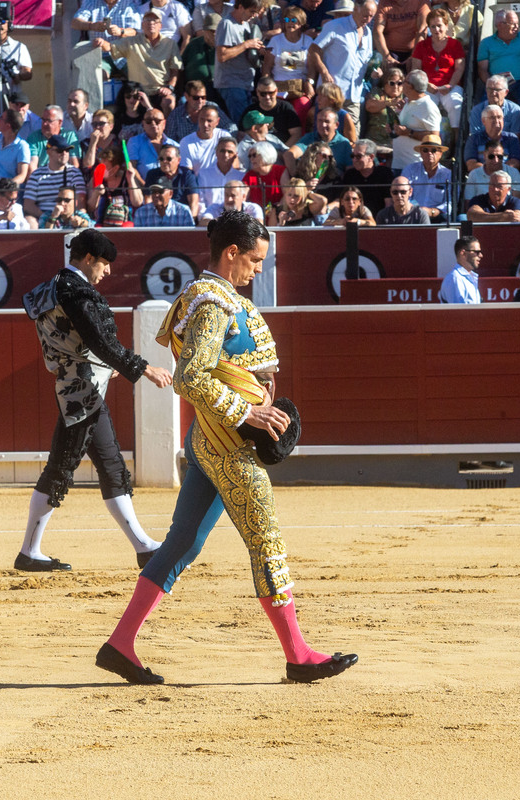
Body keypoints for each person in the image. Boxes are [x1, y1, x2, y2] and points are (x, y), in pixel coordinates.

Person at [98, 210, 358, 685]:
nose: (259, 269)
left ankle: (120, 643)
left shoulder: (207, 296)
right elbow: (190, 376)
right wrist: (248, 412)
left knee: (182, 541)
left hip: (208, 439)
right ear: (231, 253)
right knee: (266, 541)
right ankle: (298, 655)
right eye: (254, 260)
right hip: (227, 444)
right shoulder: (214, 303)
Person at [19, 228, 173, 573]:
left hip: (79, 387)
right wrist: (143, 368)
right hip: (81, 392)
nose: (108, 271)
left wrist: (104, 364)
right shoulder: (75, 291)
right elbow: (98, 340)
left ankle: (143, 546)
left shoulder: (54, 287)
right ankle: (30, 552)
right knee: (64, 467)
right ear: (88, 259)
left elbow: (69, 341)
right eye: (104, 264)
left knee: (109, 464)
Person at [311, 0, 377, 131]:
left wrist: (374, 71)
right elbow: (313, 50)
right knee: (324, 133)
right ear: (356, 9)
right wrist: (324, 72)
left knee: (352, 137)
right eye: (365, 15)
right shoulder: (335, 25)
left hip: (354, 95)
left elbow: (366, 61)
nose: (368, 20)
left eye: (371, 17)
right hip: (332, 92)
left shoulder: (368, 33)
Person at [70, 0, 142, 113]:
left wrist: (121, 31)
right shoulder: (92, 2)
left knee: (137, 75)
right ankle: (95, 112)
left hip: (123, 54)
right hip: (101, 54)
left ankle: (136, 113)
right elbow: (74, 22)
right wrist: (91, 25)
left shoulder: (128, 3)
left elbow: (136, 31)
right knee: (97, 74)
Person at [103, 10, 182, 108]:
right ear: (142, 25)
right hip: (137, 91)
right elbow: (110, 47)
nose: (151, 23)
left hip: (160, 91)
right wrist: (101, 43)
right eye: (148, 20)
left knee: (169, 102)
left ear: (160, 26)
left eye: (155, 21)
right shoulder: (131, 41)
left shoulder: (170, 44)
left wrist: (170, 87)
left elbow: (175, 70)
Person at [407, 8, 463, 143]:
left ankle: (457, 143)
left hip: (450, 85)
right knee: (421, 106)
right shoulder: (421, 45)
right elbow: (416, 69)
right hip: (427, 86)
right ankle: (428, 142)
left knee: (456, 105)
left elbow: (459, 69)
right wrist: (426, 84)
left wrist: (449, 86)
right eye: (433, 26)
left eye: (439, 25)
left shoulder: (455, 44)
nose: (436, 29)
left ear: (446, 26)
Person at [476, 10, 520, 105]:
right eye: (513, 24)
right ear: (500, 25)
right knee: (486, 106)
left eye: (518, 23)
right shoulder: (486, 43)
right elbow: (482, 69)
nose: (517, 27)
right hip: (498, 84)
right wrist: (492, 85)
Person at [214, 0, 264, 121]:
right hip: (231, 83)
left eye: (256, 12)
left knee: (247, 122)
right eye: (251, 11)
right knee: (241, 124)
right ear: (240, 7)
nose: (254, 15)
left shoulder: (245, 23)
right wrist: (246, 44)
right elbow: (222, 55)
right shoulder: (227, 24)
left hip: (246, 82)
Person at [391, 70, 441, 170]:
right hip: (397, 164)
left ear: (410, 86)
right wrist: (393, 129)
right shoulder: (407, 101)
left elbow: (435, 138)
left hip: (415, 168)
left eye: (404, 81)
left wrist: (409, 132)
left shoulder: (428, 107)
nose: (402, 83)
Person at [401, 133, 450, 222]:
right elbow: (403, 195)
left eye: (434, 150)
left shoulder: (448, 175)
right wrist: (417, 209)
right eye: (425, 150)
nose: (429, 153)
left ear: (441, 154)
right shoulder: (409, 170)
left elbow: (450, 203)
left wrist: (432, 211)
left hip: (438, 217)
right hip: (412, 215)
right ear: (420, 153)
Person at [144, 143, 200, 216]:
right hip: (157, 218)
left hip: (182, 218)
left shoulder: (187, 175)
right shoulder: (152, 174)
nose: (164, 161)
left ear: (178, 160)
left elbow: (194, 202)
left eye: (168, 159)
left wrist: (190, 224)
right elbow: (148, 200)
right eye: (161, 159)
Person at [0, 108, 32, 186]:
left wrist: (5, 187)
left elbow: (22, 175)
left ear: (8, 125)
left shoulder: (22, 146)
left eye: (1, 118)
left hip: (8, 192)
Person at [342, 139, 395, 213]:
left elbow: (388, 203)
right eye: (352, 156)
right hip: (355, 219)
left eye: (358, 156)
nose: (354, 160)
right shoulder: (350, 175)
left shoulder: (384, 173)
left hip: (379, 219)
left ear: (371, 157)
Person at [465, 104, 520, 171]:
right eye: (492, 118)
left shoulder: (512, 138)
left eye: (499, 117)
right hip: (482, 177)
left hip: (506, 176)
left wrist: (498, 173)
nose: (497, 121)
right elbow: (471, 164)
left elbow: (515, 162)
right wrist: (489, 171)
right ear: (483, 121)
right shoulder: (474, 139)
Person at [375, 0, 430, 66]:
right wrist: (386, 56)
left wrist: (414, 56)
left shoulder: (421, 2)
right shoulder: (384, 3)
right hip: (390, 50)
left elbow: (422, 30)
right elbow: (377, 31)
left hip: (414, 50)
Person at [26, 105, 82, 169]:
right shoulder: (34, 138)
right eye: (43, 120)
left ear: (60, 122)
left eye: (49, 121)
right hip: (41, 177)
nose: (44, 124)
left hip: (64, 175)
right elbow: (32, 166)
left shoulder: (69, 136)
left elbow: (74, 164)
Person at [195, 135, 242, 207]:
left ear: (235, 155)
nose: (226, 155)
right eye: (222, 151)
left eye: (230, 152)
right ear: (216, 153)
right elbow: (200, 203)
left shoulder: (240, 177)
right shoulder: (204, 174)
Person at [439, 235, 482, 304]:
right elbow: (459, 313)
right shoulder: (455, 278)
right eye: (476, 252)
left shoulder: (467, 278)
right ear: (463, 253)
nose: (480, 255)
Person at [198, 179, 264, 221]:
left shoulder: (253, 208)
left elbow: (259, 224)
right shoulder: (214, 208)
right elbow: (203, 222)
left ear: (243, 197)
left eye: (233, 195)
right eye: (226, 195)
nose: (229, 199)